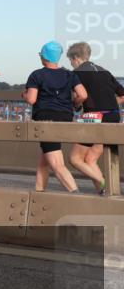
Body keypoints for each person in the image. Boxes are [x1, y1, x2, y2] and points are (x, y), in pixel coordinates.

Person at [24, 41, 87, 193]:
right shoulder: (69, 74)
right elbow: (83, 95)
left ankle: (77, 196)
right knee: (44, 161)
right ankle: (39, 193)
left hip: (46, 120)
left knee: (57, 164)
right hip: (65, 117)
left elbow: (32, 99)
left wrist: (24, 95)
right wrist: (74, 104)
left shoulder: (37, 75)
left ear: (43, 57)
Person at [67, 41, 124, 195]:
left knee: (75, 159)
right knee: (90, 159)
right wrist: (111, 105)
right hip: (113, 116)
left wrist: (77, 105)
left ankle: (105, 183)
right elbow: (122, 95)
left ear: (76, 58)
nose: (71, 64)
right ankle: (104, 192)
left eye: (70, 61)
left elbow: (80, 96)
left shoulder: (76, 73)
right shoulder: (104, 71)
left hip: (93, 117)